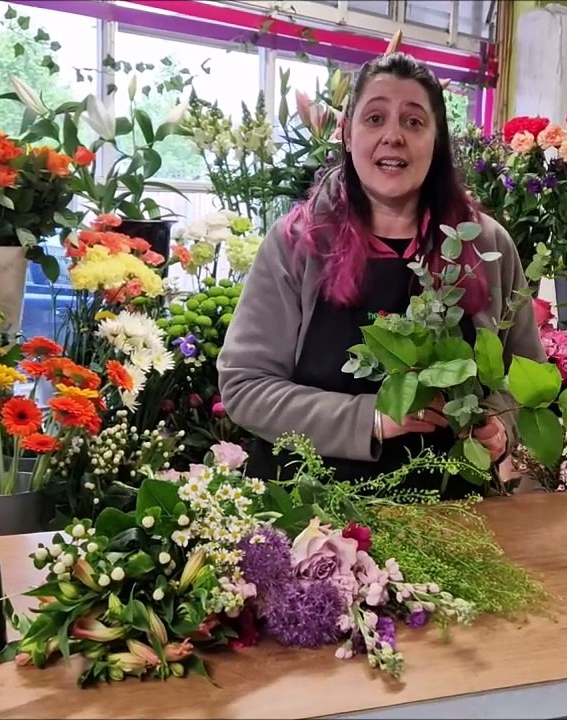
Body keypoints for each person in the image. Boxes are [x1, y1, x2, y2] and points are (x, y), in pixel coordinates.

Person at [217, 51, 544, 496]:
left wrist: (501, 427)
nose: (393, 136)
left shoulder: (487, 245)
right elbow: (246, 387)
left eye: (413, 122)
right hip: (312, 514)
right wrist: (372, 417)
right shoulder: (297, 243)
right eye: (374, 118)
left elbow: (523, 379)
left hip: (454, 513)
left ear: (437, 139)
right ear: (346, 134)